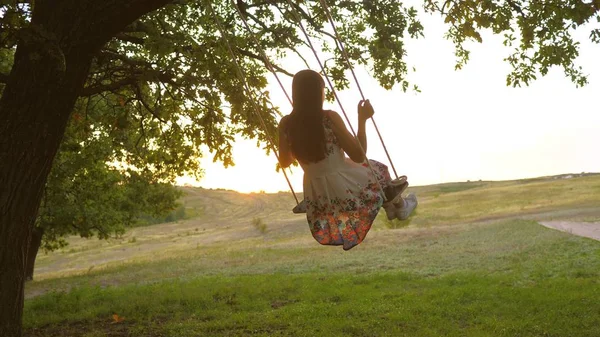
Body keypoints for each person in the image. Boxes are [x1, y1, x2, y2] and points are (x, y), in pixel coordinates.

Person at [278, 69, 417, 250]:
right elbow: (359, 155)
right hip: (344, 182)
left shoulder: (286, 124)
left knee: (374, 173)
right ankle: (399, 205)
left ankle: (391, 207)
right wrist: (362, 119)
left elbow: (285, 162)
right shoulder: (328, 118)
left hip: (317, 192)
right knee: (377, 170)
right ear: (318, 92)